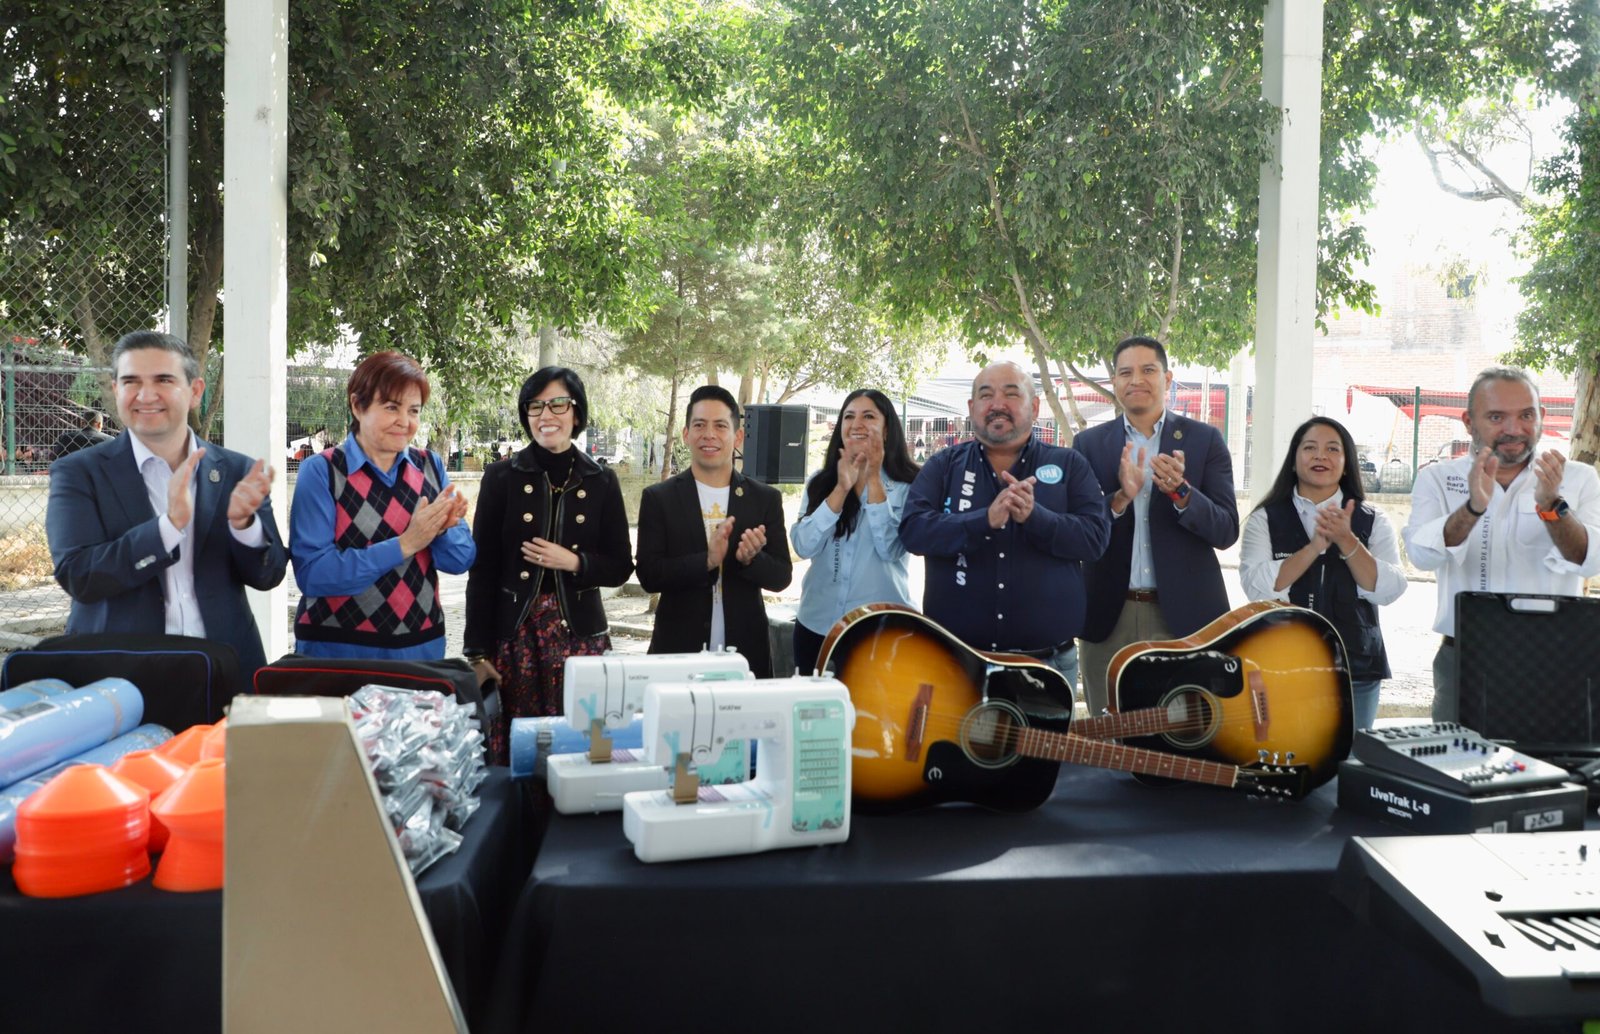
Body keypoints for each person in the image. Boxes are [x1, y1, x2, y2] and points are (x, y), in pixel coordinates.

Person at [45, 330, 287, 674]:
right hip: (119, 676)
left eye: (163, 380)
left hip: (225, 667)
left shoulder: (237, 471)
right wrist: (167, 527)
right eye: (131, 381)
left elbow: (269, 574)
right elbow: (78, 576)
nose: (146, 395)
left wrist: (243, 526)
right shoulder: (79, 472)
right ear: (116, 390)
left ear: (195, 392)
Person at [1403, 366, 1600, 722]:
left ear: (1541, 416)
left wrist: (1551, 506)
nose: (1514, 429)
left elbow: (1590, 560)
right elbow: (1421, 555)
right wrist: (1473, 508)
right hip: (1466, 656)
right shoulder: (1438, 478)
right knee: (1456, 756)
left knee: (1554, 759)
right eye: (1497, 417)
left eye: (1526, 415)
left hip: (1556, 659)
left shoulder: (1578, 478)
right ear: (1469, 422)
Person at [900, 361, 1109, 688]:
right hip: (956, 663)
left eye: (1011, 394)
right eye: (986, 395)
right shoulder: (944, 465)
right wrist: (983, 521)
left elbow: (1095, 539)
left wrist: (1035, 517)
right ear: (972, 408)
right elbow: (913, 531)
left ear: (1034, 407)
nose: (997, 404)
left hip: (1047, 666)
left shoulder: (1069, 464)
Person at [463, 367, 634, 762]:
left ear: (577, 412)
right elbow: (482, 569)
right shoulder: (500, 477)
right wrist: (477, 653)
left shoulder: (601, 480)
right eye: (535, 406)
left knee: (582, 745)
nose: (546, 415)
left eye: (558, 404)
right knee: (522, 749)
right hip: (516, 637)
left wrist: (575, 561)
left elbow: (621, 566)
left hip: (581, 637)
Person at [1072, 336, 1240, 716]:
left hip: (1185, 616)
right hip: (1108, 616)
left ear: (1167, 378)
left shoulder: (1204, 440)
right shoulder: (1088, 445)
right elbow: (1078, 533)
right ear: (1114, 382)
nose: (1136, 380)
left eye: (1148, 370)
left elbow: (1227, 530)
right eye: (1125, 372)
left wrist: (1182, 493)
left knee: (1186, 732)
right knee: (1109, 734)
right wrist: (1120, 498)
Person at [289, 350, 475, 660]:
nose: (404, 422)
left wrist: (442, 530)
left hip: (421, 650)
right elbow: (313, 574)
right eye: (391, 407)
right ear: (357, 405)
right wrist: (405, 544)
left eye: (414, 411)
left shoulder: (430, 466)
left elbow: (459, 561)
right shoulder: (323, 471)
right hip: (337, 654)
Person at [1239, 417, 1407, 731]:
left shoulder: (1373, 520)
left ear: (1345, 465)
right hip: (1283, 667)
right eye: (1310, 448)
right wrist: (1314, 546)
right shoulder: (1265, 518)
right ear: (1294, 461)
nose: (1320, 456)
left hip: (1357, 668)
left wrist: (1347, 540)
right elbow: (1257, 588)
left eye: (1332, 449)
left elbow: (1389, 589)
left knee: (1352, 757)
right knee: (1290, 754)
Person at [635, 385, 792, 677]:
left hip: (746, 657)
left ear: (738, 437)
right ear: (686, 434)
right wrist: (706, 561)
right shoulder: (659, 498)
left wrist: (751, 560)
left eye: (720, 426)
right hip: (677, 654)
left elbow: (782, 577)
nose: (709, 434)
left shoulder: (764, 499)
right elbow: (649, 575)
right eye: (699, 425)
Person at [790, 388, 921, 674]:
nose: (857, 424)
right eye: (849, 416)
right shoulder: (820, 482)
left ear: (887, 430)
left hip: (882, 630)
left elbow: (890, 549)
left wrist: (872, 479)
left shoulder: (909, 485)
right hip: (817, 625)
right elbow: (803, 546)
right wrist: (840, 489)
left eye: (869, 416)